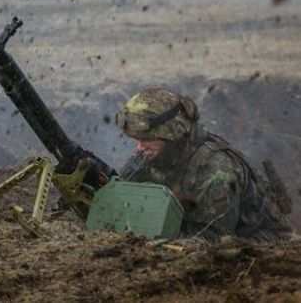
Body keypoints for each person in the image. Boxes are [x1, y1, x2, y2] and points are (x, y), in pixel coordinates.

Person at [115, 87, 292, 240]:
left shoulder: (215, 171)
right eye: (137, 139)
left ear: (174, 135)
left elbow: (212, 241)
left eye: (149, 139)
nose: (139, 147)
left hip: (259, 245)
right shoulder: (156, 155)